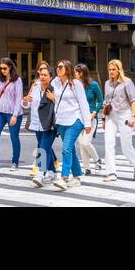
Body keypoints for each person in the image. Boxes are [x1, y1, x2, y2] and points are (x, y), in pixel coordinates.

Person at [48, 59, 92, 190]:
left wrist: (87, 123)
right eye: (57, 66)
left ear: (67, 69)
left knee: (66, 148)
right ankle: (77, 176)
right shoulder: (55, 82)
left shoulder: (76, 84)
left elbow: (83, 103)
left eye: (61, 67)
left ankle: (64, 178)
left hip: (75, 120)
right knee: (71, 149)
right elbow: (58, 100)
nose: (58, 69)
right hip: (61, 121)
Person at [100, 58, 135, 181]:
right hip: (110, 116)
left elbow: (133, 100)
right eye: (109, 69)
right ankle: (111, 173)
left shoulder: (127, 82)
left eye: (113, 69)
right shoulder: (107, 83)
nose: (111, 71)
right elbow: (106, 101)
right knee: (108, 144)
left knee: (126, 146)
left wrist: (133, 116)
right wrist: (103, 119)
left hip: (124, 115)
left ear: (119, 70)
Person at [0, 57, 24, 172]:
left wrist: (15, 115)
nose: (2, 70)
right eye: (1, 68)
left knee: (14, 137)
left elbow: (18, 99)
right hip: (0, 111)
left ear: (10, 67)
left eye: (4, 68)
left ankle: (15, 162)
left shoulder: (17, 80)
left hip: (13, 113)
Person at [24, 62, 56, 187]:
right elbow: (28, 103)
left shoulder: (54, 89)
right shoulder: (36, 87)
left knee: (43, 148)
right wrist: (25, 100)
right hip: (37, 123)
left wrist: (54, 98)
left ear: (50, 77)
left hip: (50, 124)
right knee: (45, 148)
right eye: (41, 74)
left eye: (45, 75)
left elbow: (63, 104)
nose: (42, 77)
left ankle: (40, 173)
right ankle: (52, 172)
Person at [75, 64, 103, 173]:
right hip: (79, 117)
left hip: (91, 117)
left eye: (76, 72)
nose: (74, 74)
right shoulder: (76, 85)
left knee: (86, 142)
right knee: (81, 144)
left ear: (81, 73)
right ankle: (87, 168)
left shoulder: (94, 85)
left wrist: (95, 112)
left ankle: (97, 160)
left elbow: (101, 100)